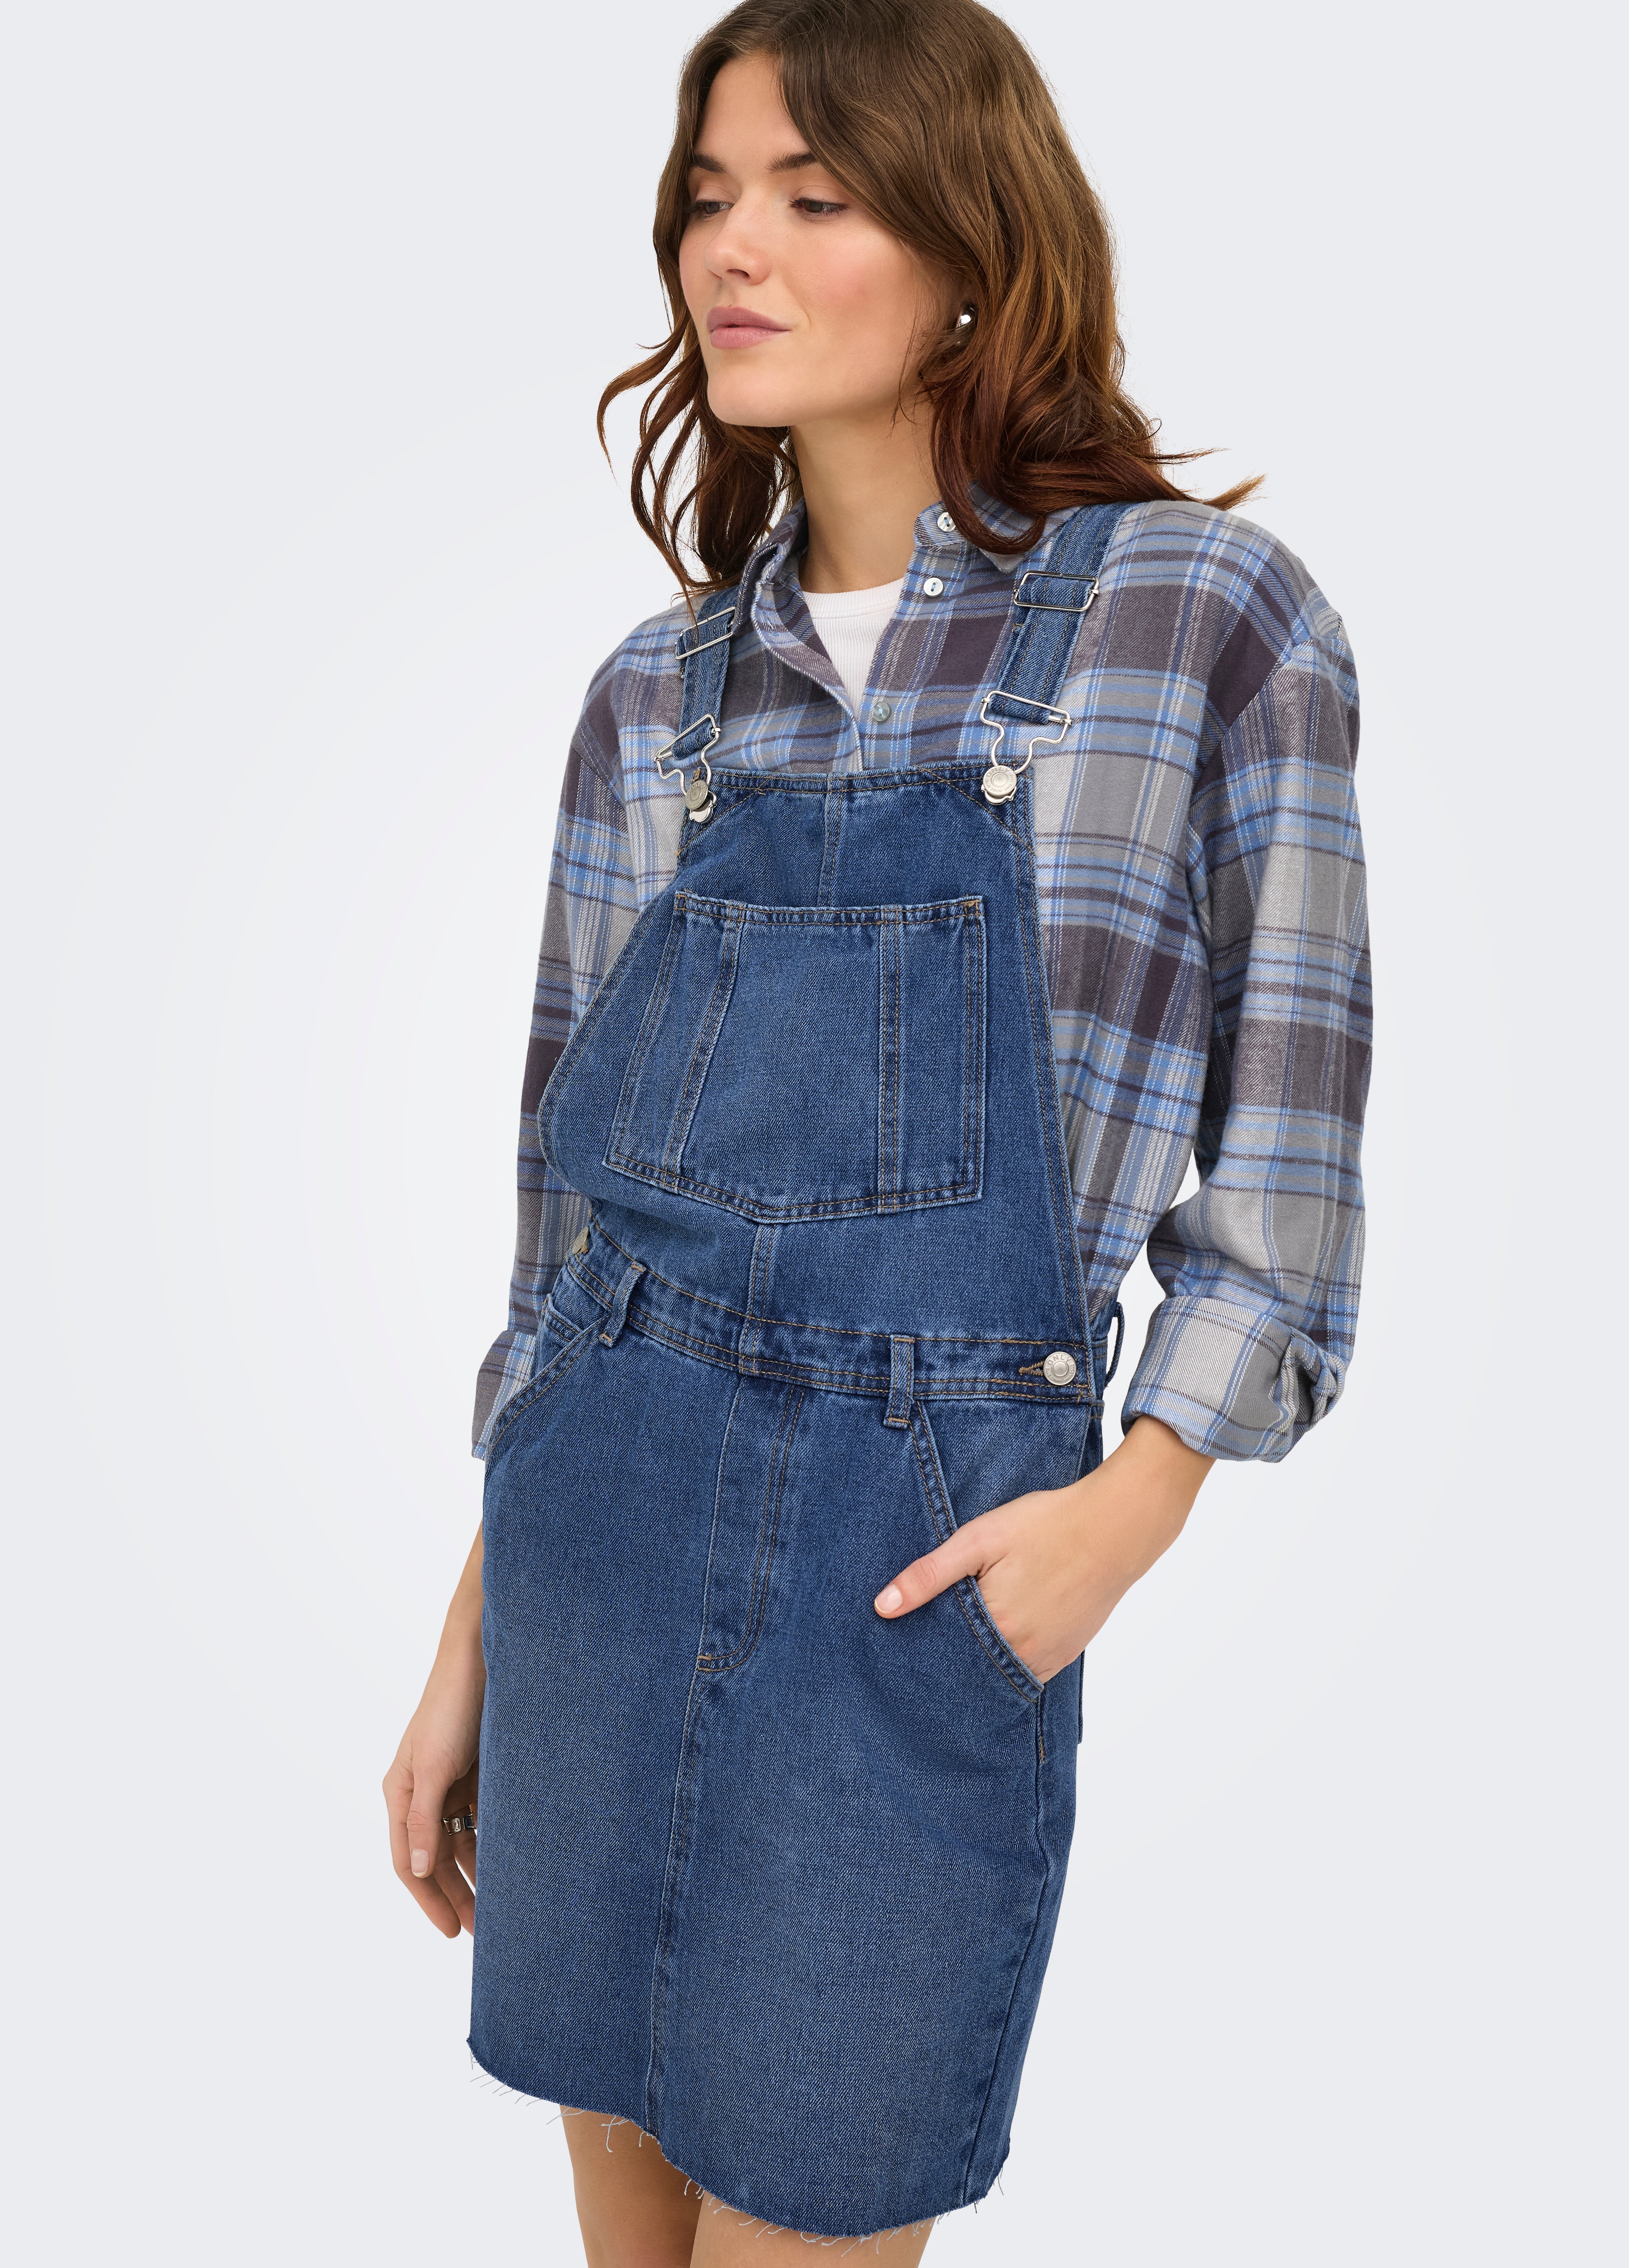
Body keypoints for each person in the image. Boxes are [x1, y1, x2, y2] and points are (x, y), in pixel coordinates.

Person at [382, 1, 1370, 2257]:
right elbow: (568, 1238)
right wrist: (471, 1636)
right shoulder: (658, 693)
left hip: (917, 1571)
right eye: (708, 198)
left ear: (971, 247)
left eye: (813, 197)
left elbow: (1294, 1152)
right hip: (599, 1542)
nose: (733, 249)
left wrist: (1135, 1507)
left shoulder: (1201, 623)